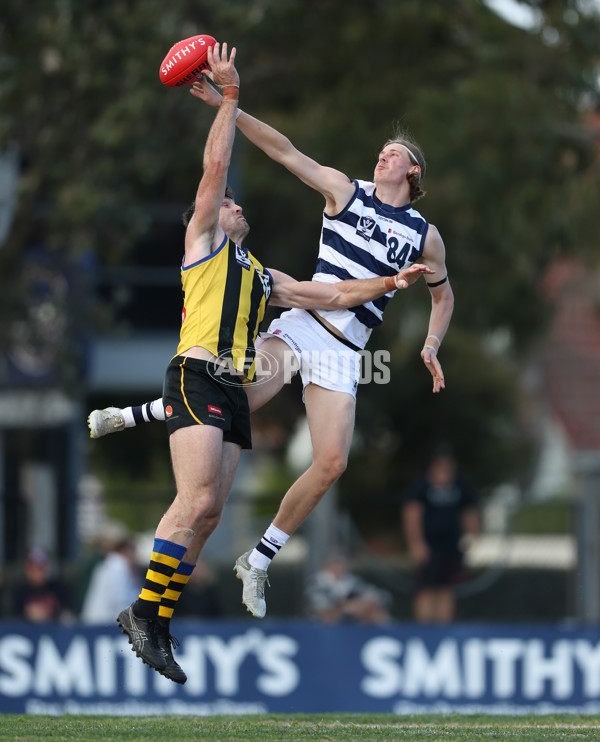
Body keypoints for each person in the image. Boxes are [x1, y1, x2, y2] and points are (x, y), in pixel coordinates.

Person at [115, 43, 433, 686]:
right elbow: (230, 162)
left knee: (213, 509)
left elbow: (340, 294)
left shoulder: (263, 277)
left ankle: (164, 609)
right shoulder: (203, 239)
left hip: (270, 371)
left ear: (416, 172)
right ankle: (146, 612)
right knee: (197, 495)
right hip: (203, 370)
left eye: (237, 206)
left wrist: (398, 289)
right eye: (229, 203)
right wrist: (230, 101)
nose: (235, 205)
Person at [403, 445, 481, 623]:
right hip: (429, 546)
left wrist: (473, 536)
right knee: (426, 589)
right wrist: (416, 543)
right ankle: (425, 629)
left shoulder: (460, 484)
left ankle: (443, 629)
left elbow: (469, 511)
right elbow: (412, 514)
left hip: (452, 546)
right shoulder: (422, 484)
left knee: (447, 589)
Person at [80, 523, 140, 625]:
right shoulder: (117, 564)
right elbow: (121, 602)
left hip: (97, 624)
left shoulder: (108, 564)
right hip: (104, 626)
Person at [305, 554, 392, 624]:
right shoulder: (317, 582)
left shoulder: (350, 581)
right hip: (323, 617)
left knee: (377, 613)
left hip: (352, 615)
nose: (339, 570)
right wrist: (344, 606)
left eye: (341, 567)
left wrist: (361, 603)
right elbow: (319, 603)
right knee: (329, 615)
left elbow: (380, 595)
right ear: (327, 567)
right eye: (335, 567)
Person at [12, 548, 74, 623]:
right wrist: (27, 614)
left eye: (40, 568)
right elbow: (12, 618)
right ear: (27, 569)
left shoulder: (60, 588)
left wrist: (58, 614)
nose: (36, 573)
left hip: (54, 632)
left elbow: (69, 613)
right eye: (32, 568)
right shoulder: (19, 591)